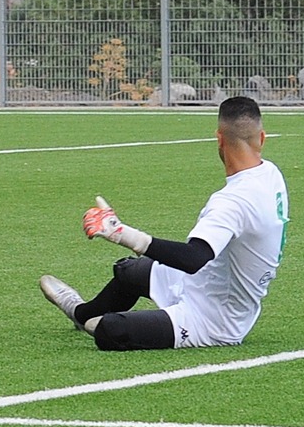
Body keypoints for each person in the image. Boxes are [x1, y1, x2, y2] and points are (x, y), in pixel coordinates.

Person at [38, 96, 288, 351]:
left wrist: (122, 233)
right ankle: (80, 314)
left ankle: (96, 323)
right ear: (262, 138)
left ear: (220, 139)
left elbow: (193, 259)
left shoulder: (233, 201)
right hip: (209, 283)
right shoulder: (270, 174)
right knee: (129, 272)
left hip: (216, 318)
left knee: (111, 330)